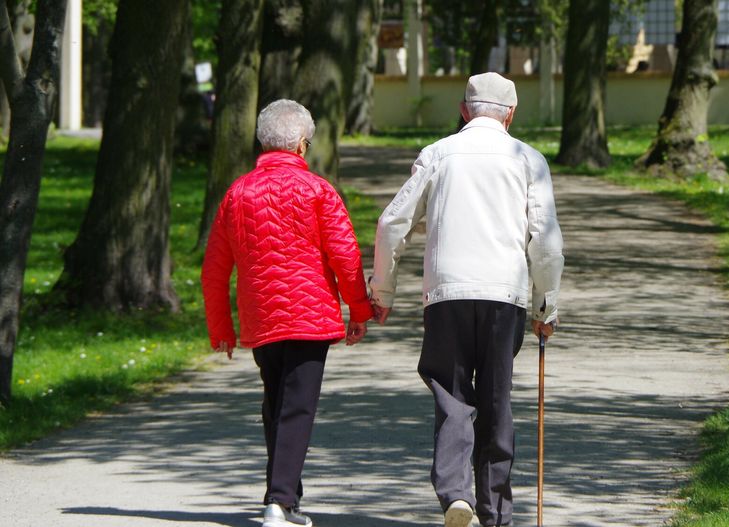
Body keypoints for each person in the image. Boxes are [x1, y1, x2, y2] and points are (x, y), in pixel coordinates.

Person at [369, 72, 564, 527]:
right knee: (496, 398)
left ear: (463, 110)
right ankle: (495, 512)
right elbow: (545, 241)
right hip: (504, 293)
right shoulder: (528, 159)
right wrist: (545, 305)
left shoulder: (437, 154)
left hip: (446, 292)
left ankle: (456, 493)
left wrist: (382, 290)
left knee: (453, 395)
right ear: (511, 115)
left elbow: (391, 223)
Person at [201, 99, 373, 527]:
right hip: (310, 316)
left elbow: (215, 269)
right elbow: (345, 256)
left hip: (261, 316)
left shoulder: (237, 193)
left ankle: (284, 498)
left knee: (276, 403)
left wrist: (221, 327)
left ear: (263, 143)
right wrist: (359, 309)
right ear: (300, 145)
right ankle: (278, 502)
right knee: (296, 407)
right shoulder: (318, 190)